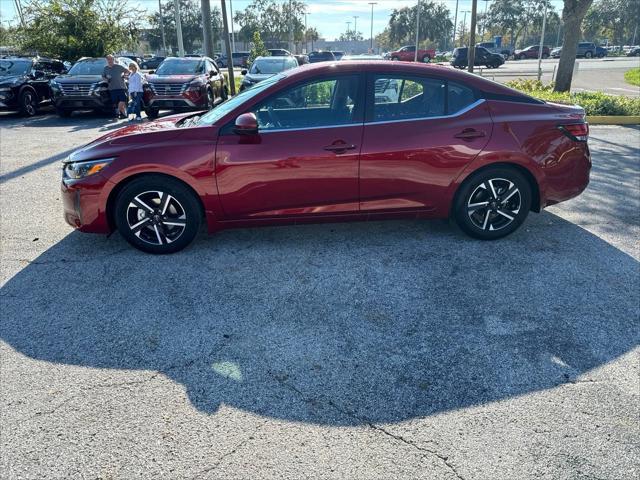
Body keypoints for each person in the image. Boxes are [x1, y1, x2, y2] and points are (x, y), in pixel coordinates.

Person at [102, 55, 128, 119]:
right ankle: (123, 114)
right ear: (107, 60)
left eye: (111, 59)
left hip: (121, 86)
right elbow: (103, 77)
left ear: (113, 60)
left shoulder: (118, 66)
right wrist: (106, 80)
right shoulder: (105, 68)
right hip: (112, 88)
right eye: (108, 59)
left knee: (123, 100)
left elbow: (127, 71)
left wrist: (124, 76)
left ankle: (118, 111)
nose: (110, 60)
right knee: (116, 102)